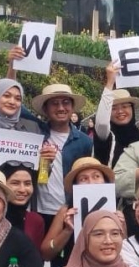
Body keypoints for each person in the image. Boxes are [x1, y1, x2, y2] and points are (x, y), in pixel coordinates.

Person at [30, 84, 93, 232]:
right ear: (45, 109)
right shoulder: (35, 135)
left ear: (72, 107)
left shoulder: (84, 141)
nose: (61, 108)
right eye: (54, 103)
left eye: (65, 103)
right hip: (39, 210)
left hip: (72, 211)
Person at [41, 157, 115, 267]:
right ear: (75, 185)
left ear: (105, 181)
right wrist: (67, 231)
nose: (91, 182)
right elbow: (46, 254)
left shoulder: (115, 212)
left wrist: (121, 226)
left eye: (96, 176)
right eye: (84, 179)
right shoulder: (65, 211)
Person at [91, 62, 139, 168]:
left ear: (132, 109)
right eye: (114, 108)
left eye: (125, 106)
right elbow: (102, 123)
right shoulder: (105, 137)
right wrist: (110, 83)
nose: (120, 111)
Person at [0, 161, 45, 250]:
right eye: (15, 183)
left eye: (27, 183)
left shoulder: (35, 220)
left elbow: (35, 256)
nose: (22, 190)